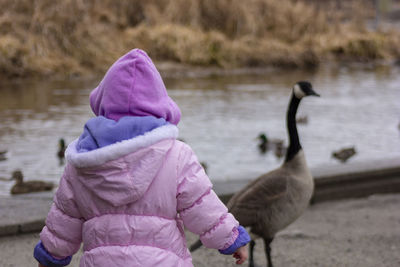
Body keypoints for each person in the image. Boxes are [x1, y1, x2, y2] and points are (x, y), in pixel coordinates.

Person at [33, 48, 250, 267]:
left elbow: (64, 220)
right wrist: (231, 239)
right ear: (161, 103)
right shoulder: (176, 155)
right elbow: (201, 206)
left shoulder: (83, 162)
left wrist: (50, 256)